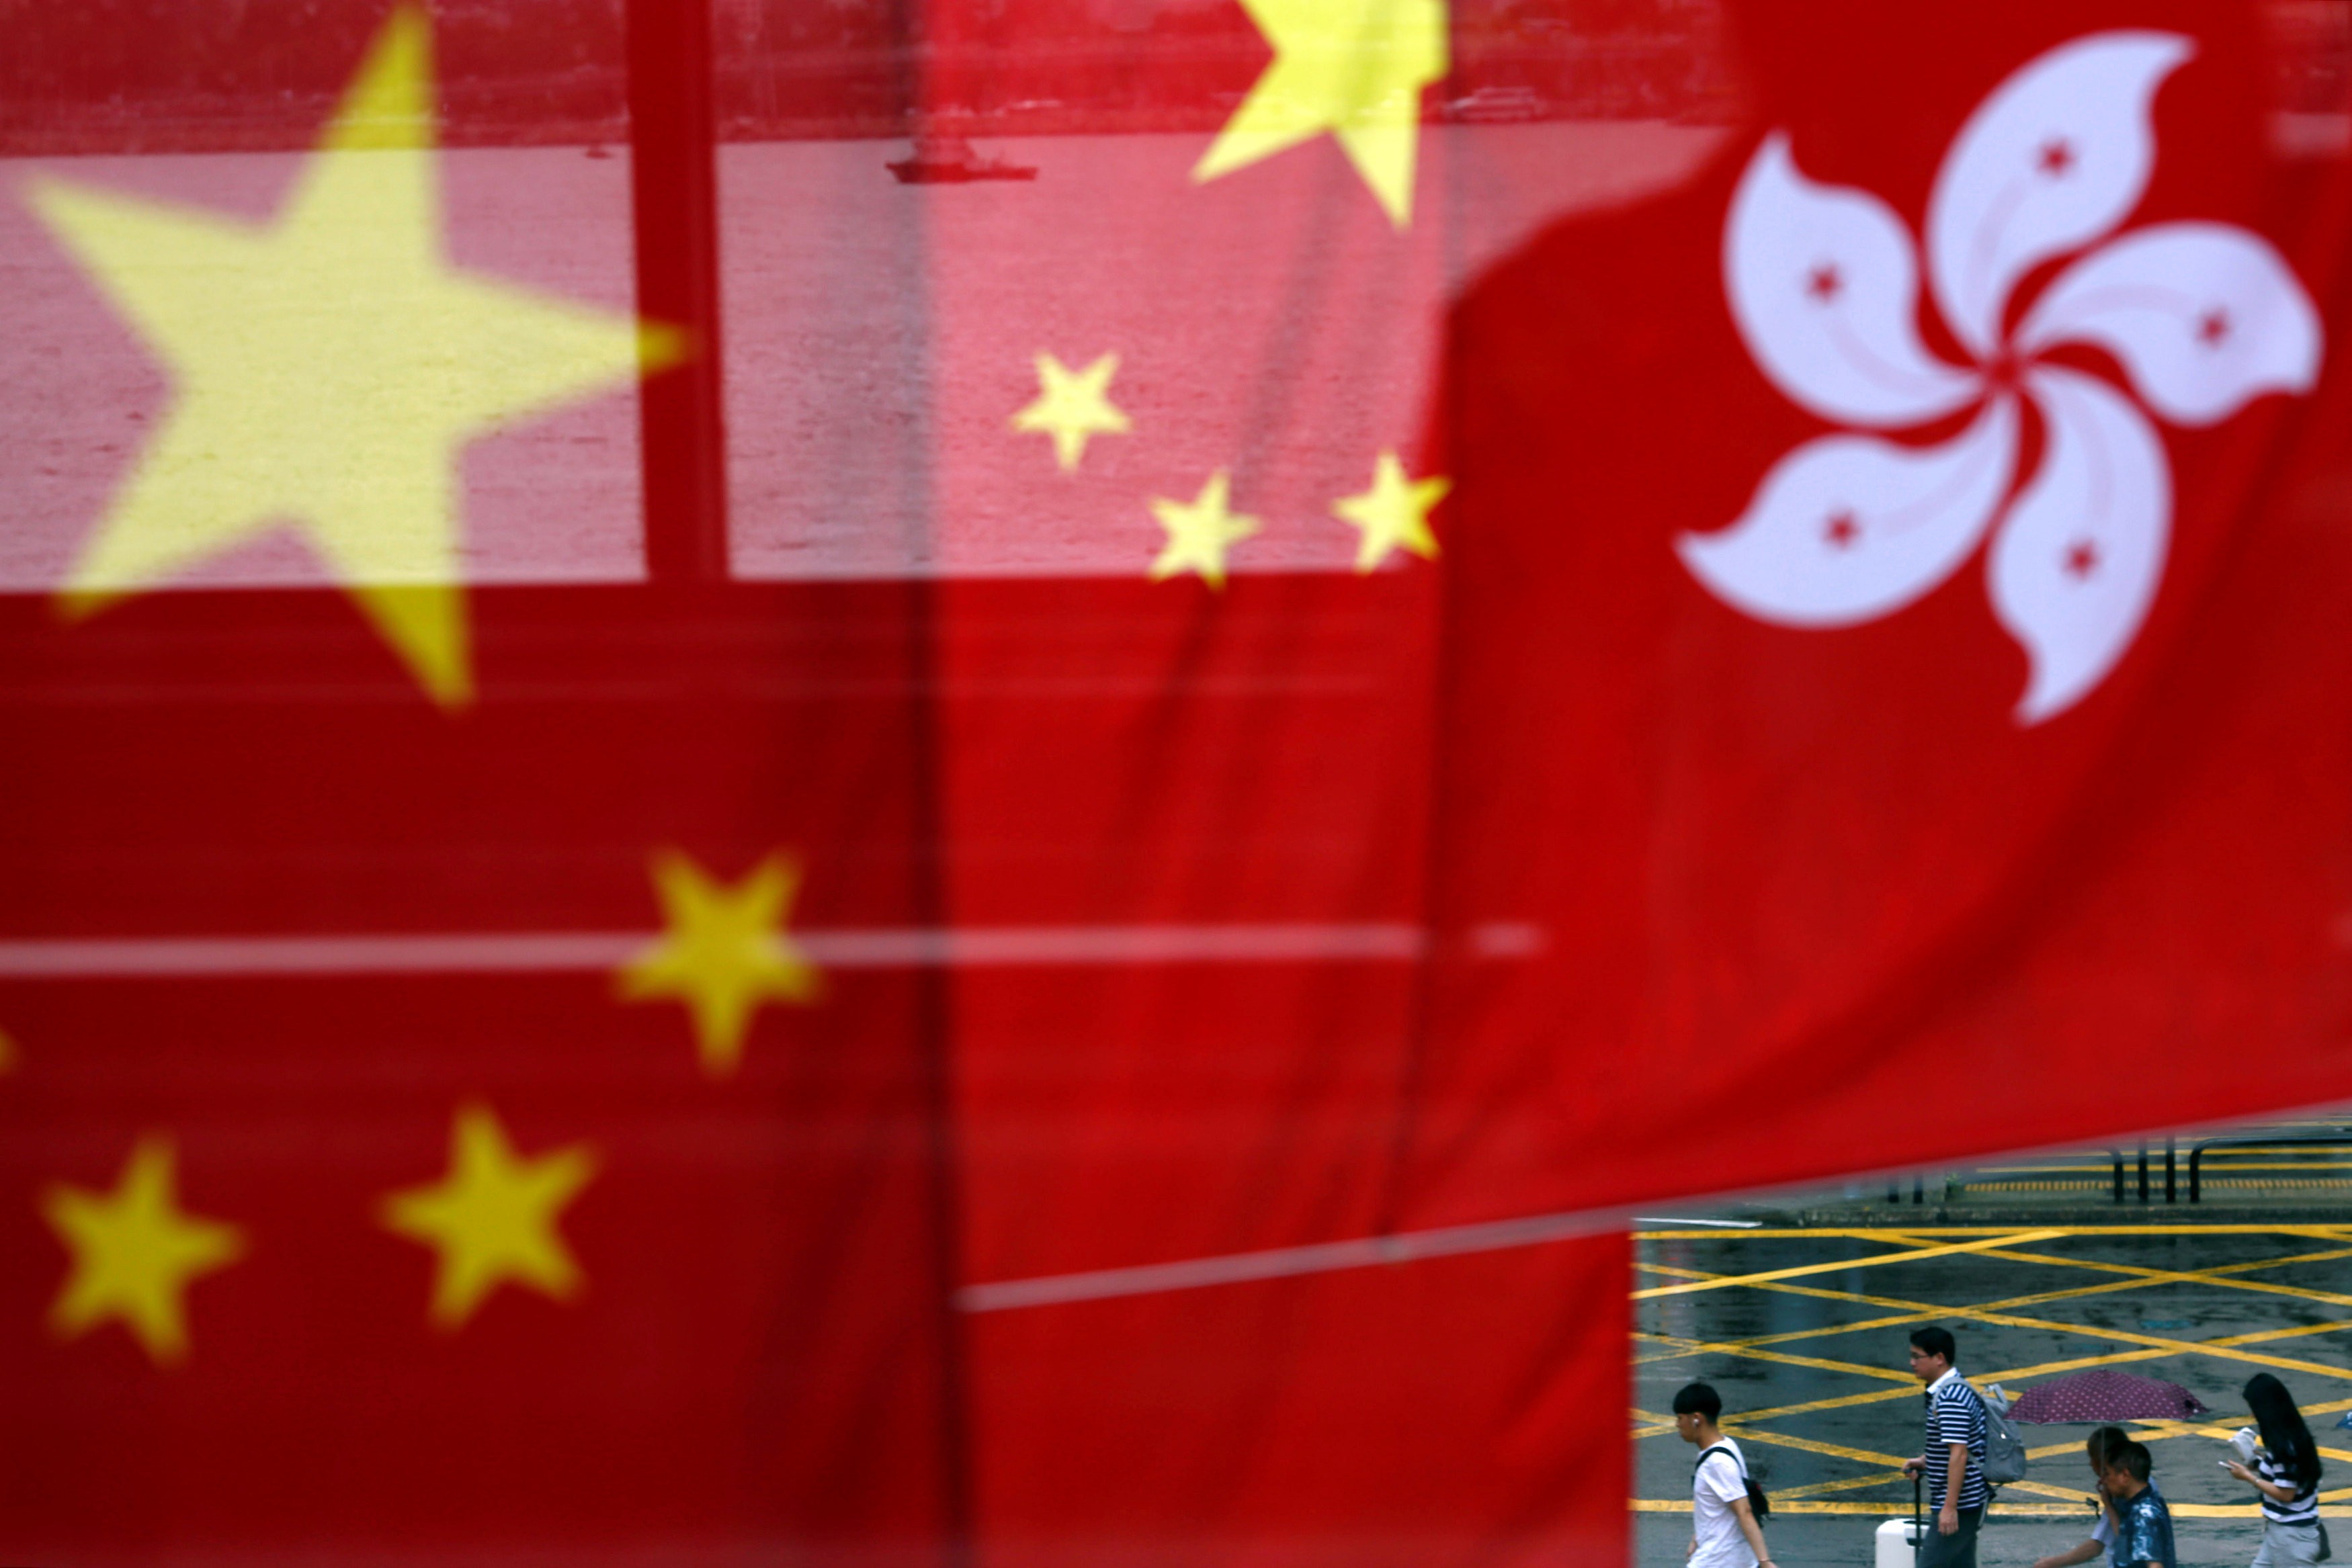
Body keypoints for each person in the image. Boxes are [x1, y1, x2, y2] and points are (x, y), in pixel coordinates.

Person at [1902, 1326, 1990, 1568]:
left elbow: (1960, 1453)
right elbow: (1956, 1444)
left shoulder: (1950, 1397)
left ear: (1939, 1358)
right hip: (1967, 1501)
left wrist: (1949, 1508)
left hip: (1961, 1504)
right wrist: (1925, 1461)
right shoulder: (1953, 1389)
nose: (1912, 1363)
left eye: (1917, 1357)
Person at [2222, 1373, 2325, 1567]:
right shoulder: (2291, 1437)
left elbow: (2286, 1494)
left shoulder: (2285, 1446)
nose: (2253, 1415)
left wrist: (2249, 1477)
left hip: (2292, 1538)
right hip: (2281, 1533)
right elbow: (2287, 1474)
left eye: (2254, 1409)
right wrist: (2259, 1461)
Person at [1672, 1381, 1774, 1568]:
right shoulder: (1727, 1447)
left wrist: (1765, 1562)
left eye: (1680, 1418)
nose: (1677, 1425)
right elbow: (1717, 1506)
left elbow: (1744, 1511)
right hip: (1728, 1557)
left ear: (1696, 1419)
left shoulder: (1718, 1462)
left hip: (1718, 1560)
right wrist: (1698, 1537)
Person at [2030, 1426, 2138, 1568]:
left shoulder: (2132, 1495)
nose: (2090, 1464)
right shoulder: (2127, 1487)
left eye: (2092, 1458)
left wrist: (2052, 1563)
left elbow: (2118, 1542)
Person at [2102, 1440, 2177, 1568]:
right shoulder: (2138, 1504)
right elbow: (2124, 1539)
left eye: (2108, 1474)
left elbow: (2154, 1565)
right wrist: (2108, 1504)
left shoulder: (2144, 1514)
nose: (2104, 1480)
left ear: (2125, 1476)